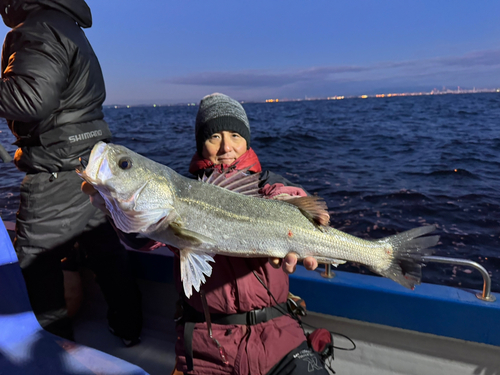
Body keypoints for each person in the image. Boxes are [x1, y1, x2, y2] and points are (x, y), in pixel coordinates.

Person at [83, 93, 331, 375]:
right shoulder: (180, 190)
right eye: (214, 137)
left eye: (235, 134)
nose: (226, 146)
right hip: (207, 345)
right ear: (201, 144)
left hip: (280, 337)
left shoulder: (268, 186)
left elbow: (285, 193)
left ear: (247, 141)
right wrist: (117, 210)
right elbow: (141, 237)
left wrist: (292, 203)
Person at [0, 0, 142, 345]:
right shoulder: (66, 26)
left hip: (56, 167)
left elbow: (32, 98)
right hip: (91, 161)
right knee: (105, 247)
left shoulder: (38, 28)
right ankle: (129, 328)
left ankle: (49, 349)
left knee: (36, 259)